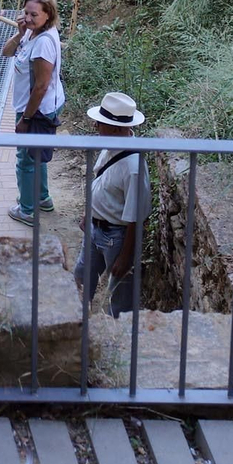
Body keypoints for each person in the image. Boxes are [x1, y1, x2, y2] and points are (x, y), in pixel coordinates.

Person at [74, 91, 151, 318]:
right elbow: (101, 181)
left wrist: (126, 257)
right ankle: (79, 320)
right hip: (95, 228)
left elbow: (136, 216)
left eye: (100, 123)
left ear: (116, 129)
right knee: (81, 276)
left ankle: (116, 329)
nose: (96, 126)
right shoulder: (110, 146)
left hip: (116, 236)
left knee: (119, 293)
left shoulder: (133, 167)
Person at [3, 0, 65, 227]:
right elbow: (6, 52)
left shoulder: (43, 44)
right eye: (26, 13)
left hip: (36, 109)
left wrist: (26, 119)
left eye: (34, 15)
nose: (27, 18)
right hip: (38, 105)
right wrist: (20, 33)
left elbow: (40, 86)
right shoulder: (32, 32)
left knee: (26, 159)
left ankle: (27, 210)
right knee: (37, 154)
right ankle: (42, 198)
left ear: (48, 15)